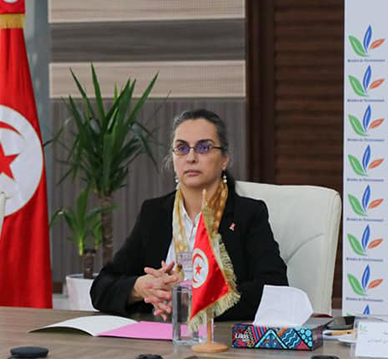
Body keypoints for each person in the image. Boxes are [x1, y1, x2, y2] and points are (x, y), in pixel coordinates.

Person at [90, 109, 287, 320]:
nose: (191, 157)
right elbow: (102, 287)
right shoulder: (154, 213)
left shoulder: (248, 214)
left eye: (204, 147)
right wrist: (139, 288)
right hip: (159, 334)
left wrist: (195, 298)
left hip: (220, 336)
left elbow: (274, 288)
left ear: (224, 159)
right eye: (182, 148)